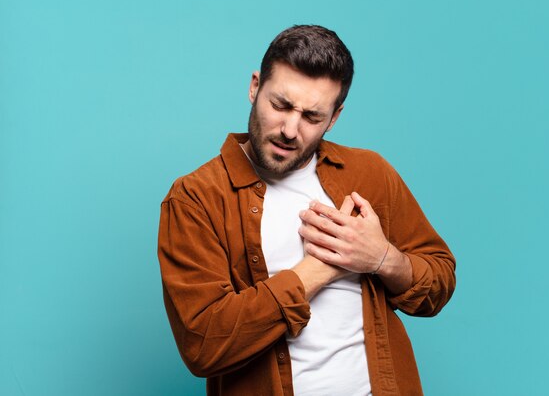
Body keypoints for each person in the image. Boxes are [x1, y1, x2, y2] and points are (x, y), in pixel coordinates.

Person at [157, 24, 456, 396]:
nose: (289, 129)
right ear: (254, 87)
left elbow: (440, 283)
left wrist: (381, 258)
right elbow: (203, 345)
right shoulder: (195, 198)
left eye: (312, 117)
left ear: (334, 118)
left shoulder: (370, 173)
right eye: (280, 105)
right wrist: (316, 270)